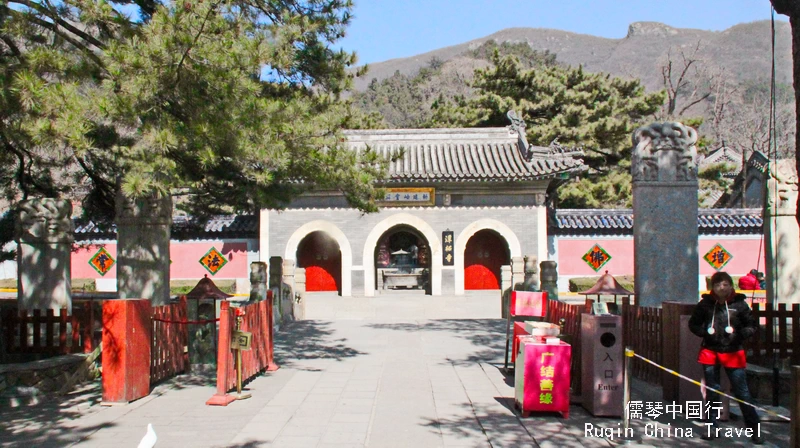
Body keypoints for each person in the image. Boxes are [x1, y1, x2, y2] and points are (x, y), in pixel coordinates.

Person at [688, 271, 763, 444]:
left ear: (731, 286)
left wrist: (741, 335)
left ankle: (755, 429)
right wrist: (704, 333)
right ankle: (711, 427)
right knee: (712, 391)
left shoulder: (740, 304)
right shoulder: (705, 304)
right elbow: (693, 324)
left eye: (725, 284)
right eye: (718, 285)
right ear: (712, 287)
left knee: (742, 392)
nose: (722, 288)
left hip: (733, 351)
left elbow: (752, 325)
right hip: (710, 350)